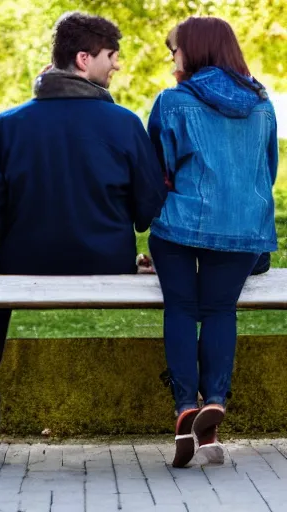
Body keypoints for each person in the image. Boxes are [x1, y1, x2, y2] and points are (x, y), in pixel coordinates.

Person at [0, 11, 167, 466]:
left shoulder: (10, 124)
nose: (116, 66)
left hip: (22, 261)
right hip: (106, 259)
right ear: (82, 58)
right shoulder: (124, 123)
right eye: (111, 56)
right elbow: (147, 210)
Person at [147, 17, 278, 468]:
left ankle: (186, 405)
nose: (172, 62)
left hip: (179, 227)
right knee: (221, 309)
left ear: (195, 51)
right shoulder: (263, 104)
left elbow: (156, 174)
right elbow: (268, 170)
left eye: (174, 52)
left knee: (181, 308)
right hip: (242, 230)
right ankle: (214, 402)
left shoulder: (171, 102)